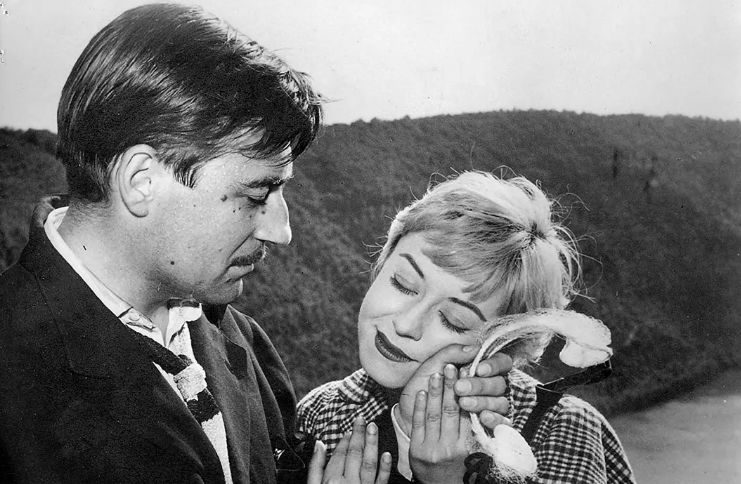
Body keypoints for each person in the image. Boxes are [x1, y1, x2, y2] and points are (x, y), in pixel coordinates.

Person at [0, 4, 511, 483]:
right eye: (256, 194)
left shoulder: (237, 337)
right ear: (142, 181)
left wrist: (413, 426)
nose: (280, 230)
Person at [297, 171, 636, 483]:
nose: (406, 324)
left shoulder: (560, 431)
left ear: (501, 347)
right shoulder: (324, 411)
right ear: (381, 263)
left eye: (453, 320)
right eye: (402, 283)